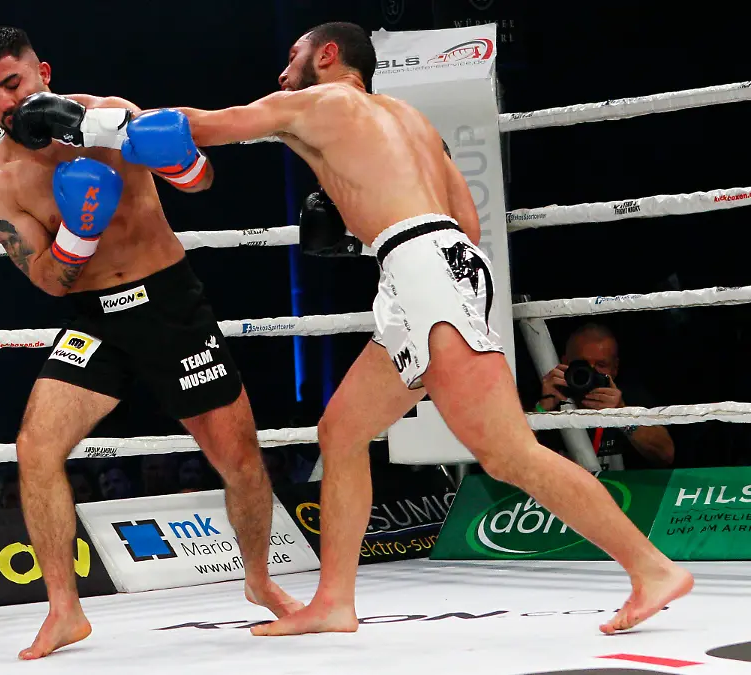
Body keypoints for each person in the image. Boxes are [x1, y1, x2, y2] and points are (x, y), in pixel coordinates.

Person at [110, 21, 693, 637]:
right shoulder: (412, 121)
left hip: (421, 270)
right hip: (426, 265)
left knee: (506, 452)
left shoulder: (322, 100)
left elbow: (202, 125)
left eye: (293, 56)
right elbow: (466, 219)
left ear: (328, 55)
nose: (283, 74)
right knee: (341, 431)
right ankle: (334, 600)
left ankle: (651, 568)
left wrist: (91, 122)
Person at [0, 26, 300, 660]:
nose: (6, 103)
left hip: (169, 304)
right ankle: (65, 610)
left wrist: (174, 156)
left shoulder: (110, 118)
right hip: (97, 318)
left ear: (43, 74)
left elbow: (199, 183)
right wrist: (77, 235)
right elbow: (48, 281)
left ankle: (259, 581)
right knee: (36, 448)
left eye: (14, 83)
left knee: (239, 459)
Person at [535, 322, 674, 470]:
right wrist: (542, 409)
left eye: (601, 365)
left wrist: (622, 413)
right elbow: (510, 455)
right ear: (564, 363)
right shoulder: (549, 394)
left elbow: (666, 455)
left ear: (615, 368)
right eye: (582, 364)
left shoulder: (630, 398)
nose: (590, 373)